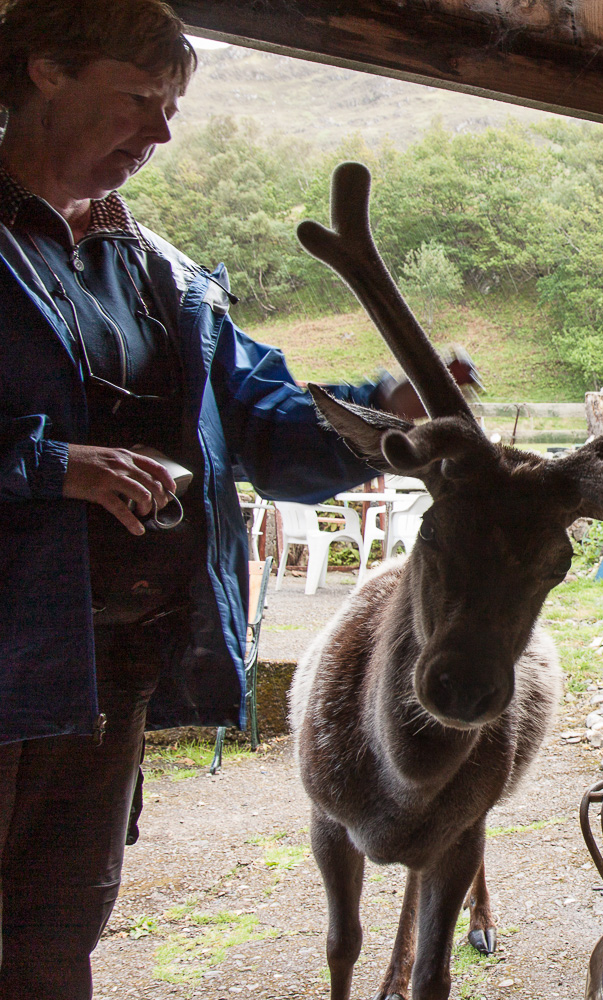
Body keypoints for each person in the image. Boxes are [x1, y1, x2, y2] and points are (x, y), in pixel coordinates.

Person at [0, 3, 470, 995]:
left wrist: (383, 412)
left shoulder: (162, 277)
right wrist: (51, 466)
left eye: (172, 107)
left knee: (53, 940)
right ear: (44, 71)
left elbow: (270, 432)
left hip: (98, 676)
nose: (163, 133)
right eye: (138, 100)